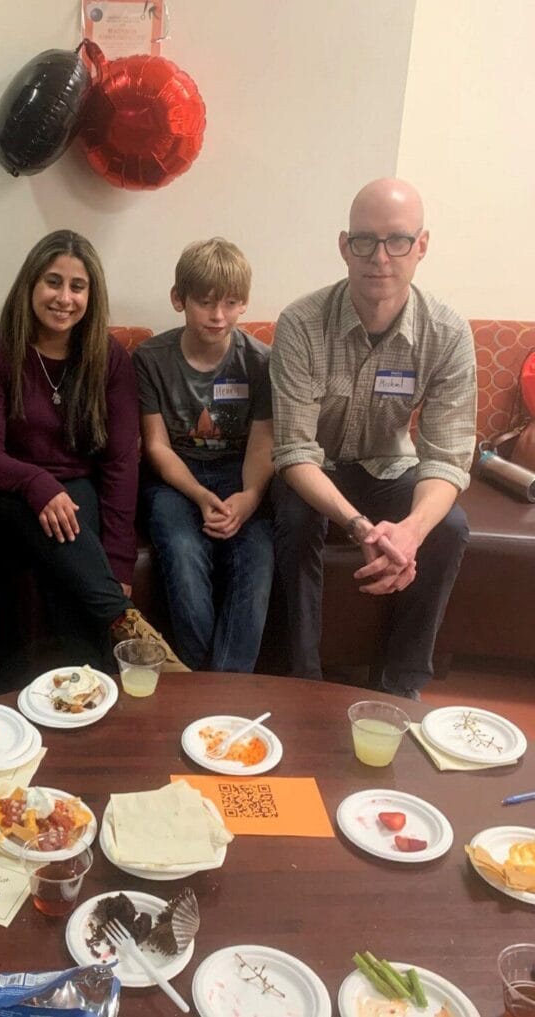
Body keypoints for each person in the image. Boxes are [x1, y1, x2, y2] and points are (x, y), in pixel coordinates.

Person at [270, 178, 476, 699]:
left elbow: (447, 458)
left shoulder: (448, 333)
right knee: (293, 515)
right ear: (344, 246)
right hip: (318, 471)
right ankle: (304, 680)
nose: (380, 257)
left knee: (448, 525)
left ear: (421, 245)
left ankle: (401, 685)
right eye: (364, 240)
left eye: (397, 241)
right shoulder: (300, 322)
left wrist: (409, 531)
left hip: (390, 466)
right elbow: (294, 451)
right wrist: (360, 526)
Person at [0, 229, 180, 682]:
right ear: (30, 285)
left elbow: (119, 463)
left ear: (91, 295)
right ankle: (123, 632)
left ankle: (42, 690)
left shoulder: (109, 359)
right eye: (53, 282)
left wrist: (118, 564)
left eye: (78, 286)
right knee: (46, 516)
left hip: (71, 498)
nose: (64, 297)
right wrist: (38, 484)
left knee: (63, 525)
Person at [134, 238, 273, 673]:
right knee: (182, 550)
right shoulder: (150, 358)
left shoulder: (261, 361)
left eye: (231, 303)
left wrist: (250, 498)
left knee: (257, 557)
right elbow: (156, 445)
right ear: (180, 299)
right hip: (175, 478)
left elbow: (262, 443)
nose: (218, 316)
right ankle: (200, 680)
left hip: (241, 473)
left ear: (244, 304)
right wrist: (197, 494)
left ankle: (227, 686)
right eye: (206, 302)